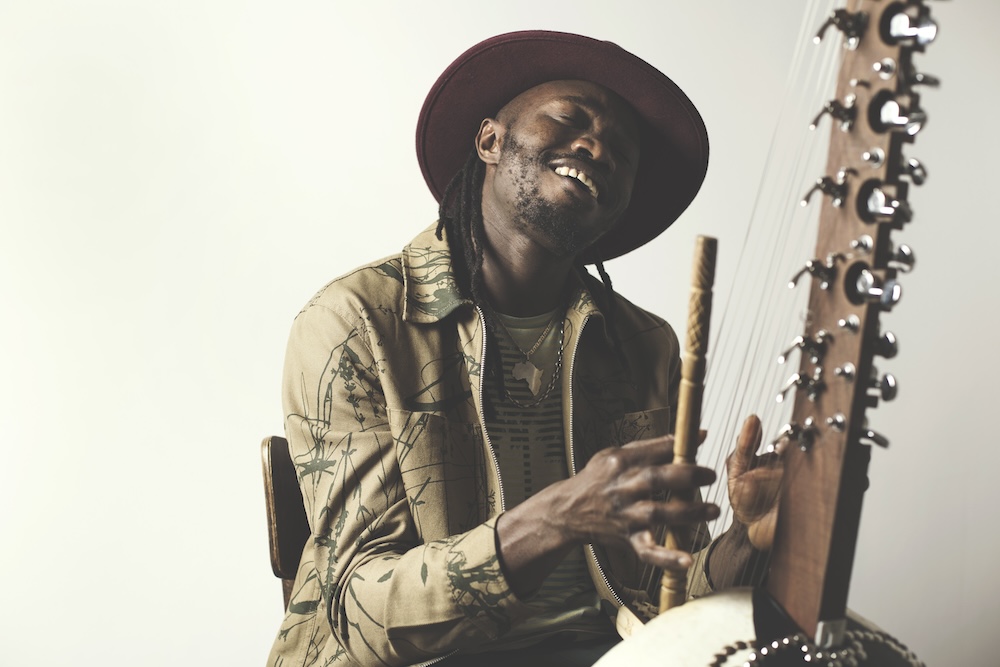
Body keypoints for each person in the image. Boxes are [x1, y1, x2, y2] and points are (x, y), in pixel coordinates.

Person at [267, 30, 780, 667]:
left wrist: (749, 537)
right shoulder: (356, 321)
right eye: (569, 119)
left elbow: (669, 603)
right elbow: (361, 613)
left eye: (622, 152)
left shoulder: (644, 345)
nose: (597, 147)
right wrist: (554, 520)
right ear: (490, 141)